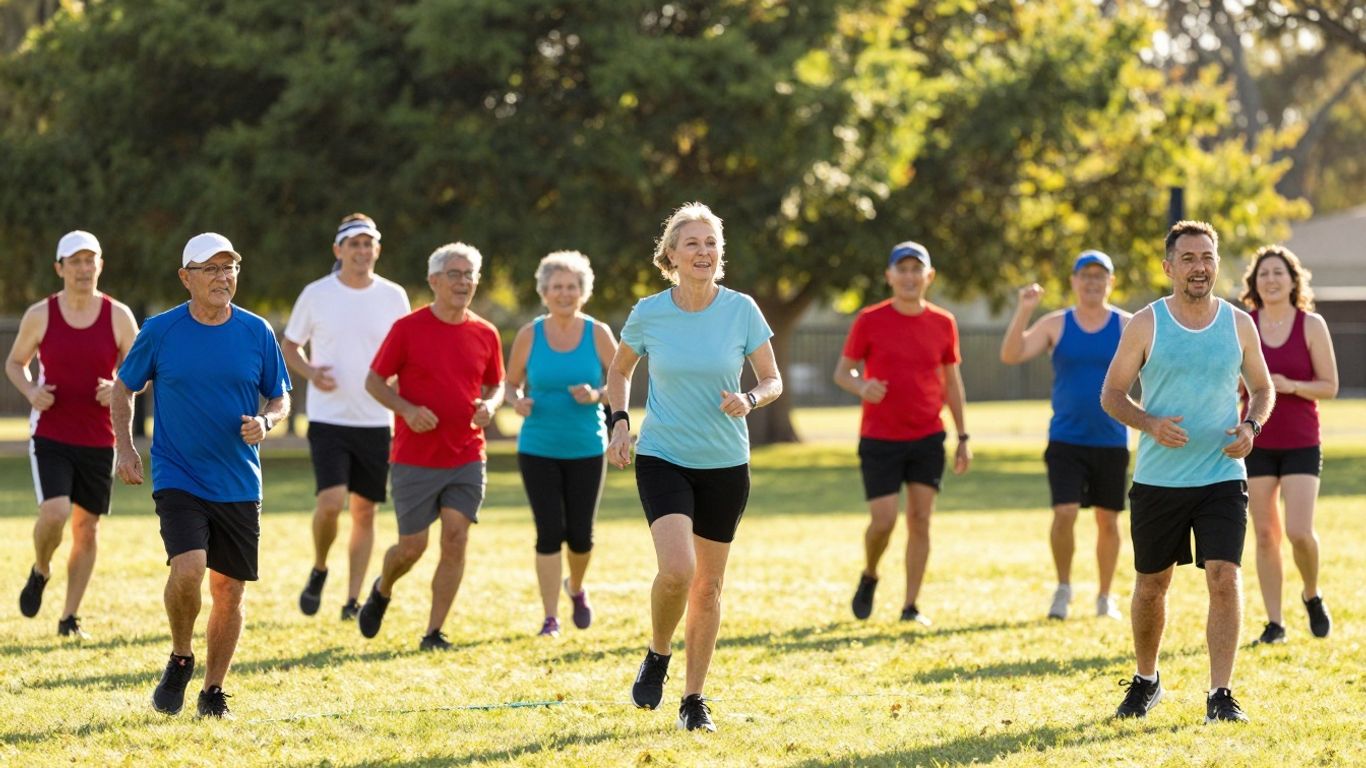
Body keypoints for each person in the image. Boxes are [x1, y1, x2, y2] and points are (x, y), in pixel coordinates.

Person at [606, 202, 781, 733]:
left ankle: (693, 699)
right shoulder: (649, 312)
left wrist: (750, 399)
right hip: (663, 455)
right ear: (671, 256)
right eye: (693, 244)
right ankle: (658, 652)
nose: (703, 252)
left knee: (708, 586)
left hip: (726, 462)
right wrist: (618, 423)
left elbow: (772, 380)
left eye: (711, 244)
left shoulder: (742, 309)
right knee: (679, 570)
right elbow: (620, 373)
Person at [112, 233, 291, 719]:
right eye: (210, 269)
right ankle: (180, 655)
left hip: (238, 480)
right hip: (179, 474)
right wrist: (125, 447)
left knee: (230, 590)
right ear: (185, 277)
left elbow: (279, 396)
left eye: (229, 266)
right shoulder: (161, 330)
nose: (222, 277)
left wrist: (268, 421)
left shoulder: (257, 332)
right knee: (188, 568)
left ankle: (213, 692)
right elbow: (123, 388)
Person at [1101, 220, 1273, 724]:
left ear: (1217, 264)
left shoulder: (1239, 323)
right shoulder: (1145, 323)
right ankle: (1147, 680)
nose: (1199, 267)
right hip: (1158, 481)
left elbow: (1262, 389)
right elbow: (1111, 395)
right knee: (1152, 586)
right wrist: (1149, 422)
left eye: (1207, 258)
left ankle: (1221, 694)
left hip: (1222, 476)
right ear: (1169, 266)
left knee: (1224, 578)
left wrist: (1251, 426)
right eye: (1189, 258)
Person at [356, 242, 505, 651]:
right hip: (414, 457)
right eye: (454, 274)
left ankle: (433, 632)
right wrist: (406, 409)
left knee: (456, 537)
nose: (463, 282)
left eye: (469, 275)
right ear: (434, 280)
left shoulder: (485, 332)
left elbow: (497, 384)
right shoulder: (407, 329)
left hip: (466, 454)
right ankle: (383, 588)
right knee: (412, 547)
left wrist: (489, 406)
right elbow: (373, 381)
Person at [8, 231, 138, 638]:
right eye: (75, 261)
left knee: (87, 528)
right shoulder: (40, 314)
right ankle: (41, 568)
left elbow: (139, 375)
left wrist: (117, 386)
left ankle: (69, 617)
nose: (83, 269)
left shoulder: (118, 316)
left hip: (100, 438)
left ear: (100, 265)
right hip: (51, 433)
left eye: (90, 261)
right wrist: (31, 390)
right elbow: (15, 363)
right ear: (59, 268)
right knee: (56, 512)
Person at [834, 241, 971, 627]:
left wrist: (963, 436)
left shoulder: (944, 322)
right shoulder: (869, 320)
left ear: (929, 277)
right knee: (883, 522)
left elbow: (952, 382)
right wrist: (862, 387)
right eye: (902, 270)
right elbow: (843, 372)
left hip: (928, 435)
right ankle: (871, 573)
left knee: (921, 519)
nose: (910, 277)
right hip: (879, 437)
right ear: (889, 276)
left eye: (917, 270)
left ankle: (910, 606)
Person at [284, 214, 410, 621]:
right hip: (328, 419)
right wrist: (310, 373)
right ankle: (320, 566)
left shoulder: (394, 296)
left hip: (376, 419)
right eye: (353, 244)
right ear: (338, 251)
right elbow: (289, 347)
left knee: (366, 511)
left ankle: (352, 600)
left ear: (377, 250)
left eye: (367, 244)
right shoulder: (316, 294)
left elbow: (405, 354)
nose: (360, 250)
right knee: (331, 502)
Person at [1000, 250, 1132, 621]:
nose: (1092, 282)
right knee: (1064, 513)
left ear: (1111, 282)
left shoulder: (1127, 325)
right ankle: (1063, 588)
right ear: (1073, 282)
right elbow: (1011, 354)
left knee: (1108, 520)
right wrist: (1025, 309)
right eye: (1085, 276)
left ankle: (1105, 597)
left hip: (1111, 438)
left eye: (1099, 276)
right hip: (1066, 439)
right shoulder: (1056, 324)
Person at [504, 251, 617, 638]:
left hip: (586, 446)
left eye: (571, 287)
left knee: (582, 535)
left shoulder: (597, 332)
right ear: (544, 292)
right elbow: (509, 382)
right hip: (537, 446)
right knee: (549, 531)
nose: (564, 294)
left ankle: (577, 587)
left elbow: (620, 382)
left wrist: (598, 395)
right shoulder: (529, 334)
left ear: (582, 291)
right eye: (557, 287)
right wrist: (515, 400)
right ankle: (550, 617)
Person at [1238, 245, 1338, 645]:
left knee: (1298, 531)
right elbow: (1230, 382)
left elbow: (1330, 386)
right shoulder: (1243, 324)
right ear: (1254, 283)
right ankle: (1275, 622)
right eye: (1263, 274)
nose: (1271, 280)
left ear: (1293, 280)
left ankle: (1311, 594)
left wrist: (1292, 386)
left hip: (1300, 441)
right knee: (1265, 535)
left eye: (1278, 272)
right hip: (1256, 439)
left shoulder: (1311, 325)